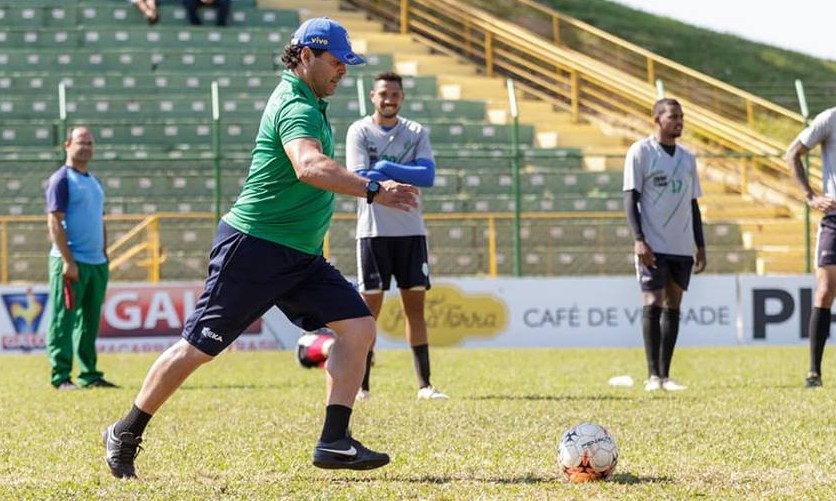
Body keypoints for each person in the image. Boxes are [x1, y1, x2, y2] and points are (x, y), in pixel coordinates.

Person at [102, 17, 418, 479]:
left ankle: (334, 441)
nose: (343, 72)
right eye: (336, 62)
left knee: (358, 328)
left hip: (299, 256)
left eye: (346, 64)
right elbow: (308, 166)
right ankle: (125, 430)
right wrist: (372, 190)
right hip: (253, 249)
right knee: (198, 350)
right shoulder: (296, 104)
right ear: (306, 56)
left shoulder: (311, 99)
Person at [344, 71, 448, 401]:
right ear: (373, 97)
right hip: (373, 232)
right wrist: (397, 171)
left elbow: (428, 175)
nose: (389, 100)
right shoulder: (359, 131)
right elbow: (359, 177)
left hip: (410, 230)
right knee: (368, 313)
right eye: (383, 94)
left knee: (414, 309)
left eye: (395, 95)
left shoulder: (416, 131)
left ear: (402, 98)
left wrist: (386, 169)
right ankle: (362, 386)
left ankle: (425, 385)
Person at [622, 98, 706, 392]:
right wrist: (639, 239)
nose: (679, 121)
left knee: (674, 304)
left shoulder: (687, 158)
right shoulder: (641, 152)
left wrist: (701, 245)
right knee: (652, 302)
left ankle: (666, 375)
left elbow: (693, 204)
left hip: (682, 245)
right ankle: (652, 376)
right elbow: (630, 197)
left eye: (682, 116)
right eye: (673, 116)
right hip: (652, 244)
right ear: (656, 119)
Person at [45, 127, 116, 391]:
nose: (85, 147)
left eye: (90, 143)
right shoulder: (61, 179)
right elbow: (54, 222)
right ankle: (61, 376)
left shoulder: (94, 181)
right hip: (70, 261)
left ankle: (89, 374)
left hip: (96, 262)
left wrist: (105, 253)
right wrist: (68, 260)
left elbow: (99, 220)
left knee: (89, 321)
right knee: (63, 320)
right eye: (80, 142)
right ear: (67, 144)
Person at [786, 106, 836, 388]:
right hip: (834, 219)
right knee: (826, 290)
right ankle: (814, 371)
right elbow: (792, 152)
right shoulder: (830, 118)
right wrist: (810, 196)